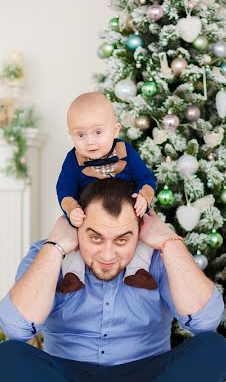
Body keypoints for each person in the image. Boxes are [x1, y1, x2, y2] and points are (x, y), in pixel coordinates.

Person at [0, 177, 226, 382]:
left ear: (139, 232)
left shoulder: (157, 254)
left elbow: (205, 320)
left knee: (215, 350)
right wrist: (55, 247)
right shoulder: (48, 253)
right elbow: (16, 327)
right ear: (77, 226)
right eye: (95, 237)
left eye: (122, 240)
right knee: (5, 359)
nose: (107, 254)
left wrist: (169, 241)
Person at [55, 92, 157, 292]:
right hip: (90, 219)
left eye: (98, 133)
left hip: (127, 215)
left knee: (143, 239)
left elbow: (145, 178)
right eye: (81, 135)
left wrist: (144, 197)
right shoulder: (73, 160)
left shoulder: (125, 151)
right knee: (74, 243)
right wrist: (72, 209)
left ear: (115, 130)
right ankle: (72, 275)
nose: (90, 142)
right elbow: (64, 187)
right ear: (71, 135)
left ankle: (138, 271)